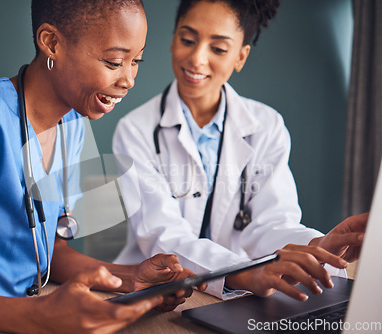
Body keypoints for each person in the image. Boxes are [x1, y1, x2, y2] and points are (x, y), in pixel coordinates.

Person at [0, 1, 206, 333]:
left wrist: (129, 278)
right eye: (114, 62)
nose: (128, 80)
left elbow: (47, 253)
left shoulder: (73, 122)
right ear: (51, 42)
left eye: (136, 61)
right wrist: (38, 316)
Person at [113, 0, 367, 302]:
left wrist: (317, 245)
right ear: (172, 39)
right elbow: (162, 236)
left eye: (218, 49)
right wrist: (240, 272)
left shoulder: (266, 125)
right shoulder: (135, 130)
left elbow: (272, 222)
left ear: (240, 57)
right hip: (161, 291)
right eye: (187, 40)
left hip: (240, 291)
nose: (197, 58)